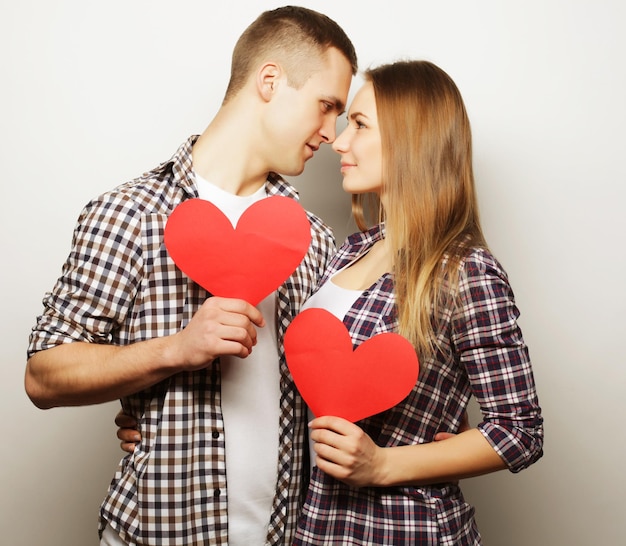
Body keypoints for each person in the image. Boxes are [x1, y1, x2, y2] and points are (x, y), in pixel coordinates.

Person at [24, 6, 357, 546]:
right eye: (326, 106)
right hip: (158, 535)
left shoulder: (313, 238)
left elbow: (334, 381)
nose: (330, 132)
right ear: (270, 81)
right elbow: (42, 376)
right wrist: (175, 349)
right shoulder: (131, 213)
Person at [287, 59, 544, 545]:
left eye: (360, 125)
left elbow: (520, 431)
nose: (339, 142)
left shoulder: (465, 272)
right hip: (314, 527)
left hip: (404, 531)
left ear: (413, 140)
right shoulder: (348, 251)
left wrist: (383, 464)